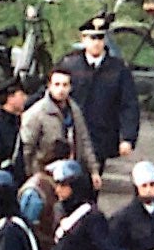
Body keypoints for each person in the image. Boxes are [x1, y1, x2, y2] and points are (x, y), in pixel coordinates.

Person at [59, 17, 141, 165]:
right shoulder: (70, 65)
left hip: (101, 138)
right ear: (83, 39)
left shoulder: (118, 69)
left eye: (100, 38)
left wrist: (128, 138)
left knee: (92, 180)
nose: (96, 42)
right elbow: (50, 92)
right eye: (92, 38)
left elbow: (129, 104)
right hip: (71, 136)